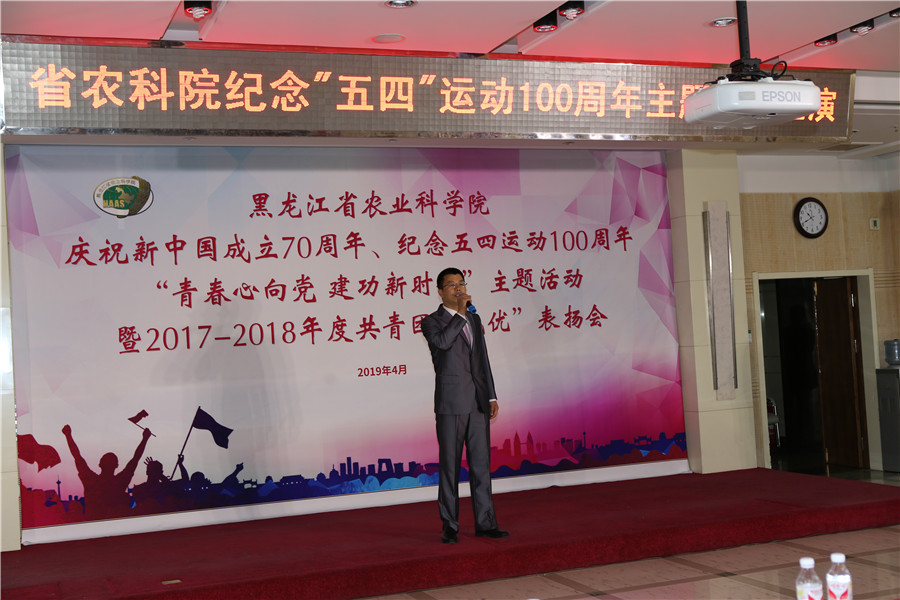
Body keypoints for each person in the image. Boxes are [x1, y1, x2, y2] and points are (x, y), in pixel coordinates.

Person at [420, 267, 508, 544]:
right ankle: (450, 525)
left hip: (477, 402)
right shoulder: (431, 322)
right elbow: (443, 343)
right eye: (452, 285)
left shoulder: (474, 318)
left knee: (481, 465)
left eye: (462, 283)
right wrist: (459, 313)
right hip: (451, 404)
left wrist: (491, 395)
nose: (458, 289)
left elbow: (482, 360)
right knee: (450, 466)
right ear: (440, 291)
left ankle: (486, 523)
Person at [62, 424, 152, 520]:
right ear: (116, 465)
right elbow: (135, 459)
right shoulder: (119, 482)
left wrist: (68, 435)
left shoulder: (91, 481)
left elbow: (77, 456)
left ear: (100, 464)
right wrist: (145, 439)